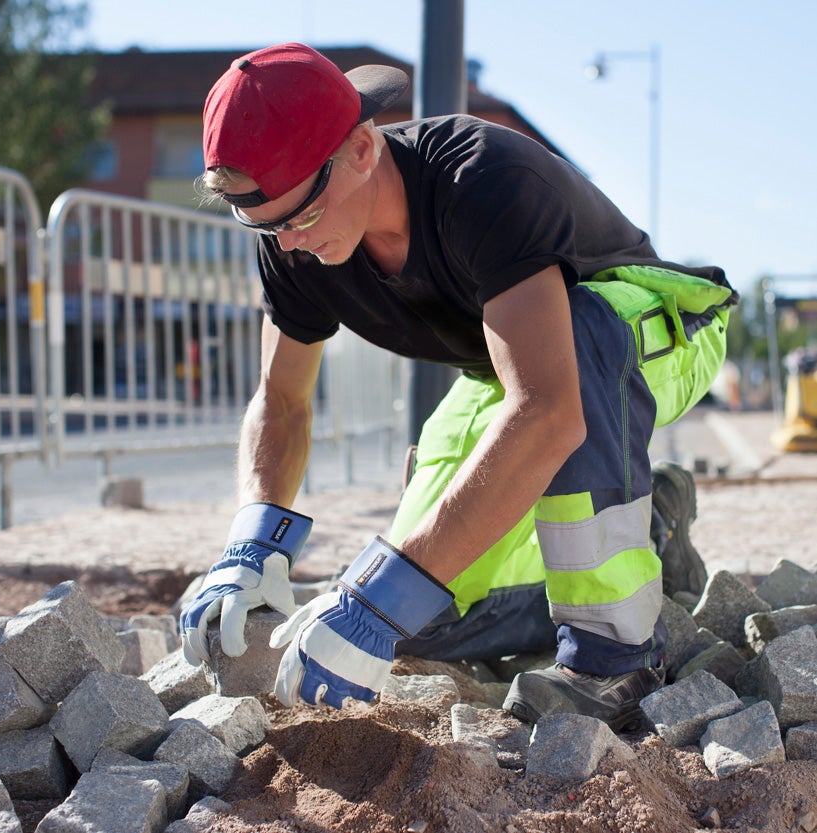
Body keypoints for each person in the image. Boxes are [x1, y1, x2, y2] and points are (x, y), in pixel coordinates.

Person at [179, 42, 737, 731]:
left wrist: (382, 598)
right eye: (262, 224)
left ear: (359, 149)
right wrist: (253, 541)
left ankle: (613, 653)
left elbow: (550, 409)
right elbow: (282, 399)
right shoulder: (289, 233)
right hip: (513, 374)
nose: (286, 244)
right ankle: (652, 531)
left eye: (299, 217)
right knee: (417, 616)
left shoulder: (482, 179)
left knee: (581, 337)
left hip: (650, 330)